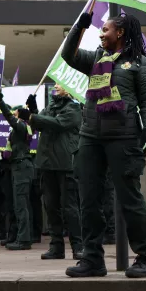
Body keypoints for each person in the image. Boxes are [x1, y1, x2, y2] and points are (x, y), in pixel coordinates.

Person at [61, 12, 146, 279]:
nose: (101, 34)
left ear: (121, 33)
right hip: (90, 137)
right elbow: (67, 55)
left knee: (130, 199)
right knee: (89, 201)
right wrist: (79, 26)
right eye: (100, 30)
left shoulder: (138, 63)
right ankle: (92, 260)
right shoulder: (95, 59)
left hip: (124, 137)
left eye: (105, 30)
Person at [28, 84, 83, 260]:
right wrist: (34, 111)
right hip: (47, 163)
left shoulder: (74, 108)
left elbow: (58, 124)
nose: (56, 86)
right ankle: (56, 247)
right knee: (51, 207)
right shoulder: (50, 107)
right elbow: (41, 123)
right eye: (56, 85)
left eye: (60, 84)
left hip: (65, 164)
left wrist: (32, 116)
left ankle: (78, 246)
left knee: (70, 208)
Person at [0, 97, 35, 251]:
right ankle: (24, 236)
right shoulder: (26, 127)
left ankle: (23, 240)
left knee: (21, 205)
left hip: (21, 166)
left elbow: (9, 117)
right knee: (23, 205)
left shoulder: (21, 126)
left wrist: (1, 102)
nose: (13, 114)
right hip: (21, 166)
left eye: (16, 112)